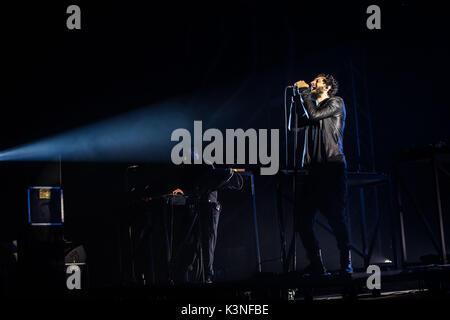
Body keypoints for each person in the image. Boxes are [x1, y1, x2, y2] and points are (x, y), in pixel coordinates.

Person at [289, 73, 352, 277]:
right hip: (313, 171)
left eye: (317, 81)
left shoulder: (336, 102)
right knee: (302, 220)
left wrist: (305, 93)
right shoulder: (312, 108)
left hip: (332, 168)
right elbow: (293, 125)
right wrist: (296, 100)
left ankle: (346, 264)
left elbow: (315, 115)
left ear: (327, 86)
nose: (312, 83)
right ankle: (317, 264)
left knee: (335, 217)